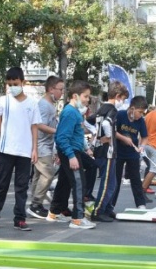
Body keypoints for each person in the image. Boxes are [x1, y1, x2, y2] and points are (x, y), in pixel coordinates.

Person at [0, 67, 40, 231]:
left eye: (15, 83)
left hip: (24, 152)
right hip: (6, 150)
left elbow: (34, 127)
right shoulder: (3, 101)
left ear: (23, 82)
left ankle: (20, 219)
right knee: (1, 186)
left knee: (21, 187)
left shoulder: (32, 104)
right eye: (9, 84)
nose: (12, 87)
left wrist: (34, 149)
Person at [47, 80, 96, 229]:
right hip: (71, 152)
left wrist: (82, 149)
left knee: (65, 181)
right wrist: (71, 156)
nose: (88, 100)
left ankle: (54, 212)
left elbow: (75, 135)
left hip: (74, 150)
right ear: (75, 96)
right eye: (86, 97)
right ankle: (77, 219)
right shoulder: (70, 112)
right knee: (78, 183)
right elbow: (61, 137)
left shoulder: (75, 112)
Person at [89, 81, 128, 223]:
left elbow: (88, 121)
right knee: (107, 183)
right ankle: (98, 210)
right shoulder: (112, 109)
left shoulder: (101, 109)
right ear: (117, 96)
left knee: (113, 182)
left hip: (101, 150)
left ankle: (107, 208)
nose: (122, 102)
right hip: (108, 152)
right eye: (122, 99)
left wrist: (96, 136)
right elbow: (106, 124)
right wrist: (109, 139)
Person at [27, 76, 64, 219]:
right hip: (41, 146)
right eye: (60, 89)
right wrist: (57, 131)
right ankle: (36, 204)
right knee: (48, 174)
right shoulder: (43, 105)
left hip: (45, 145)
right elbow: (38, 125)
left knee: (39, 175)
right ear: (50, 89)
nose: (61, 93)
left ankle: (36, 204)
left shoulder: (49, 105)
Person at [112, 96, 149, 209]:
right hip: (118, 152)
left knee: (136, 178)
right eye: (139, 112)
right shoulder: (120, 115)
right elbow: (113, 131)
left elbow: (144, 137)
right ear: (132, 108)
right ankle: (111, 205)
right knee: (116, 180)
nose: (140, 115)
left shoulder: (140, 121)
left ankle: (140, 203)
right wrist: (123, 138)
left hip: (132, 153)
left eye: (143, 113)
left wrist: (142, 146)